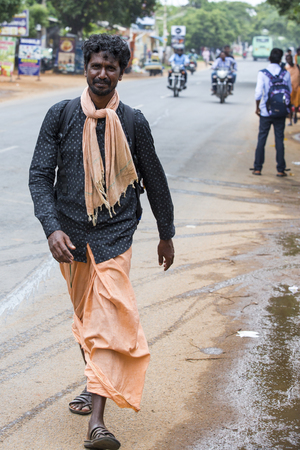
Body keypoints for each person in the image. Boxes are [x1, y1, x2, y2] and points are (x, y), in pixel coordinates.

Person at [29, 33, 175, 450]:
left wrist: (166, 234)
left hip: (115, 234)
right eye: (96, 65)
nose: (102, 73)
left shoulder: (133, 121)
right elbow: (40, 175)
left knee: (107, 318)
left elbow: (155, 180)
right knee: (86, 319)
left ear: (121, 74)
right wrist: (51, 227)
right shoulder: (60, 115)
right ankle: (96, 378)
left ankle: (97, 423)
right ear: (85, 68)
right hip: (69, 237)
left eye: (111, 67)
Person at [252, 48, 292, 177]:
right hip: (280, 112)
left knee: (262, 139)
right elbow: (289, 91)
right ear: (280, 60)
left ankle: (257, 168)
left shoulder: (263, 73)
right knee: (279, 139)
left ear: (269, 58)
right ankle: (280, 169)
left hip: (266, 111)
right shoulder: (285, 73)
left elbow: (258, 93)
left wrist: (258, 107)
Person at [285, 53, 300, 125]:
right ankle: (290, 120)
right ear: (286, 60)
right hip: (289, 89)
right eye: (287, 59)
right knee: (289, 105)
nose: (289, 60)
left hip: (297, 89)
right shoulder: (286, 68)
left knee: (297, 104)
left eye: (290, 59)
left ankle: (295, 115)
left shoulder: (297, 66)